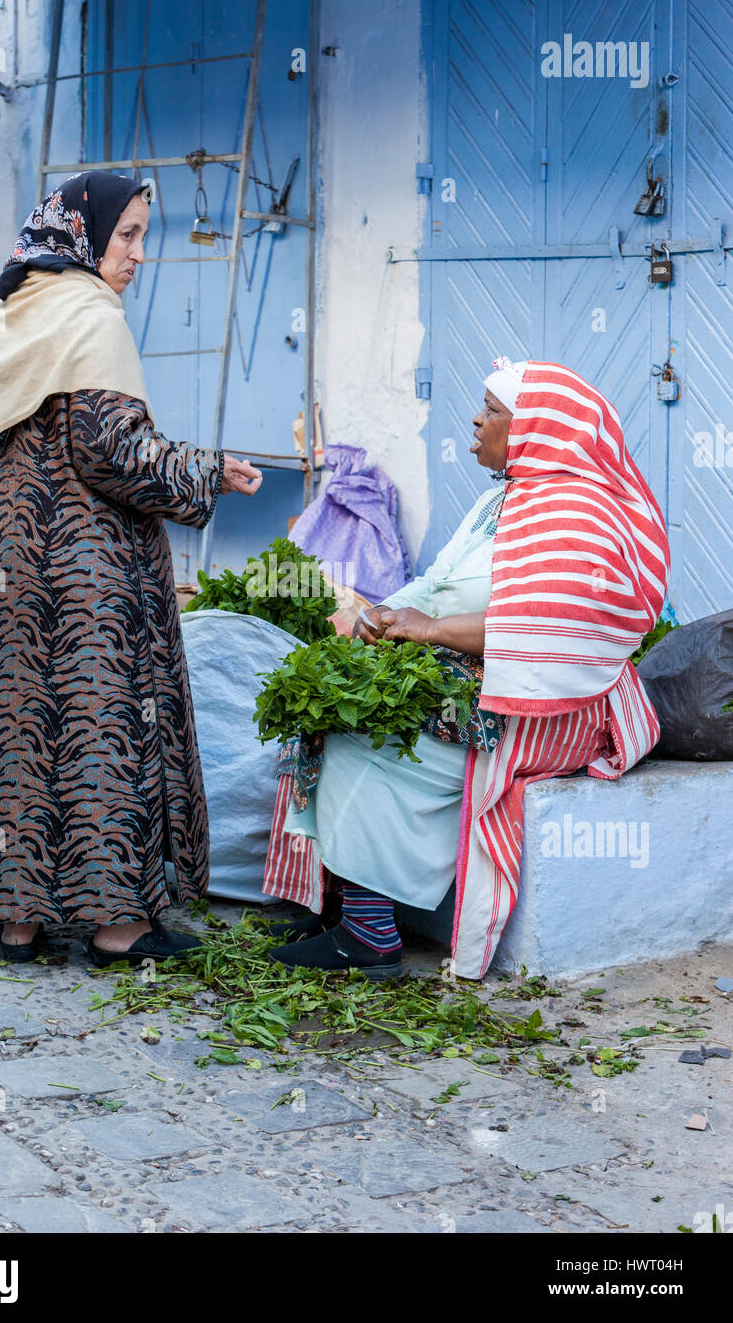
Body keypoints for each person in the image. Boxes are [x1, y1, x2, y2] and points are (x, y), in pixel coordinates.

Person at [0, 171, 262, 965]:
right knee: (97, 735)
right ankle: (117, 925)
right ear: (85, 237)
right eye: (128, 236)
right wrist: (206, 468)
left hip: (10, 574)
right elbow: (110, 451)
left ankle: (19, 921)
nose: (139, 255)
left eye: (142, 236)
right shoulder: (91, 319)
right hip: (89, 586)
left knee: (18, 732)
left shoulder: (1, 318)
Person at [264, 358, 670, 980]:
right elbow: (441, 580)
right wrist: (389, 615)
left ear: (535, 426)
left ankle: (370, 938)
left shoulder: (573, 513)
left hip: (545, 704)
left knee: (371, 733)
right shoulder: (499, 499)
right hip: (473, 670)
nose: (477, 420)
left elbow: (543, 629)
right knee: (321, 711)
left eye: (493, 410)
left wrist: (425, 630)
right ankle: (342, 904)